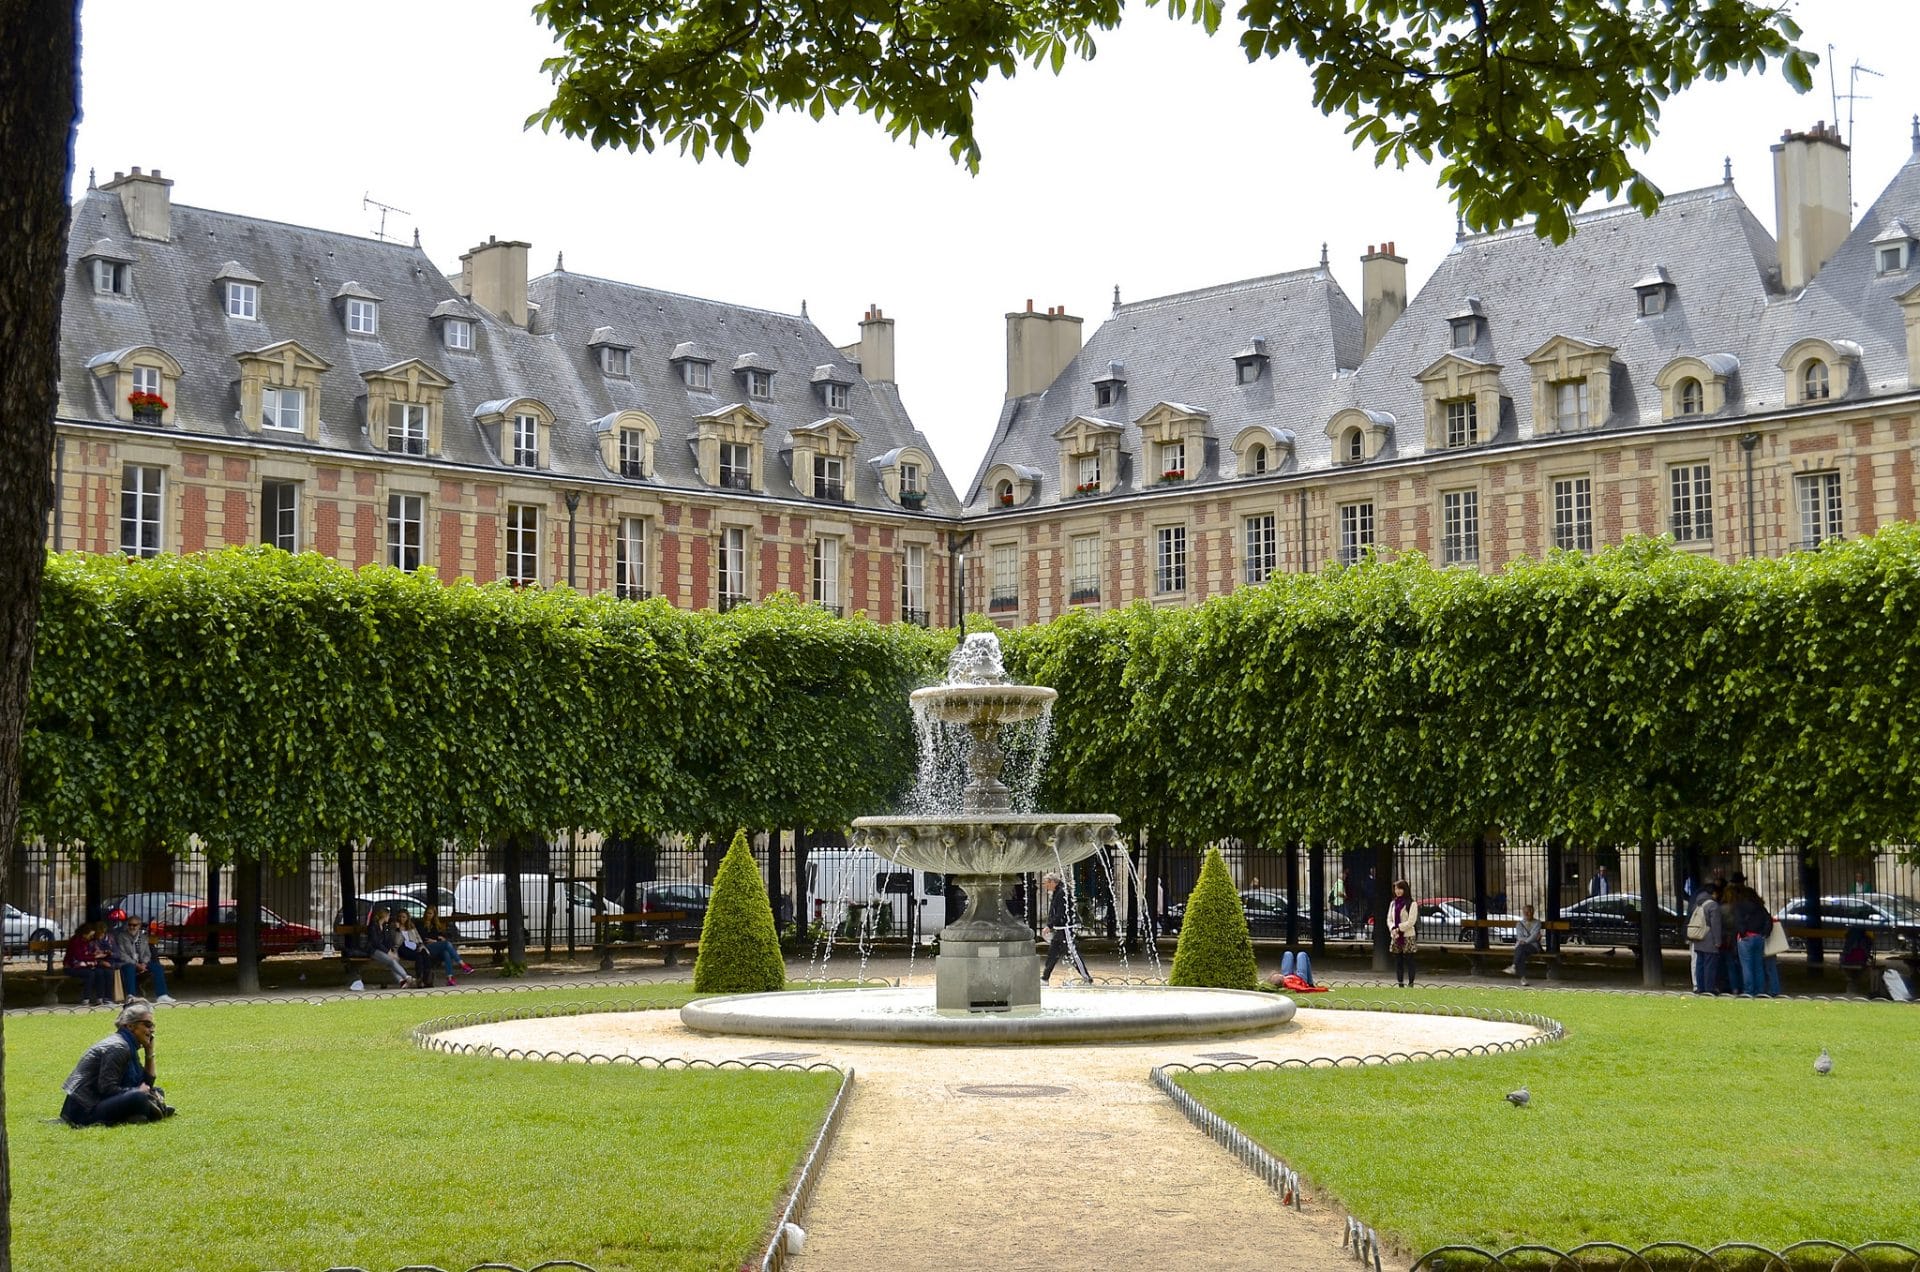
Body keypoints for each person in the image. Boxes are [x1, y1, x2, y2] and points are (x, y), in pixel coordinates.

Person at [59, 1000, 173, 1127]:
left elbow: (146, 1084)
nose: (152, 1030)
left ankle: (141, 1113)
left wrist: (149, 1052)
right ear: (130, 1026)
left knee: (156, 1091)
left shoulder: (128, 1045)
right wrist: (138, 1091)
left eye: (153, 1026)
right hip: (85, 1109)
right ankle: (145, 1111)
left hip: (99, 1102)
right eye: (147, 1025)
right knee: (139, 1096)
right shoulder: (118, 1047)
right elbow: (107, 1089)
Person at [108, 913, 176, 1005]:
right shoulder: (121, 937)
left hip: (142, 962)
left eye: (134, 925)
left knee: (158, 968)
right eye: (130, 925)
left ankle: (162, 995)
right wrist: (136, 964)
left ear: (139, 926)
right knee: (130, 968)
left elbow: (147, 953)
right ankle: (131, 996)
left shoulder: (143, 937)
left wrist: (144, 963)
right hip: (127, 962)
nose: (132, 927)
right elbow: (122, 954)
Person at [1038, 872, 1091, 985]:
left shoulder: (1062, 892)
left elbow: (1060, 913)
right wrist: (1051, 924)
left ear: (1053, 882)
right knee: (1052, 954)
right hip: (1060, 929)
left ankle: (1087, 978)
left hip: (1065, 929)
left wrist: (1049, 926)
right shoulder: (1057, 892)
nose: (1045, 886)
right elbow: (1054, 912)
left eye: (1046, 883)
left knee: (1073, 953)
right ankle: (1045, 978)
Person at [1727, 875, 1775, 998]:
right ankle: (1760, 990)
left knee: (1746, 966)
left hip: (1746, 938)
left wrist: (1743, 933)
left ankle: (1749, 990)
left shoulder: (1739, 906)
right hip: (1759, 937)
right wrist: (1765, 933)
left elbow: (1738, 922)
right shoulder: (1760, 907)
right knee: (1758, 966)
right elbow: (1768, 920)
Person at [63, 922, 114, 1006]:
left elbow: (90, 952)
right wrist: (95, 957)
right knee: (90, 974)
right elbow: (80, 956)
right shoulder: (76, 941)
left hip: (84, 965)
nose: (92, 937)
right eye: (90, 935)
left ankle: (100, 998)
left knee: (100, 972)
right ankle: (86, 999)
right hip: (72, 967)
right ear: (84, 934)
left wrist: (99, 953)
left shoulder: (87, 941)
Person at [362, 906, 414, 988]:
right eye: (388, 915)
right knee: (391, 960)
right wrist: (388, 952)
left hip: (383, 949)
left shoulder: (385, 926)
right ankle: (407, 977)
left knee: (393, 960)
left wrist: (391, 950)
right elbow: (375, 943)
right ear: (384, 916)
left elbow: (388, 940)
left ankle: (401, 981)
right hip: (373, 950)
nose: (389, 917)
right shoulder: (373, 926)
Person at [420, 907, 471, 985]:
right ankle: (462, 964)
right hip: (426, 947)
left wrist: (436, 940)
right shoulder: (421, 924)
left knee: (446, 952)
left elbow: (440, 936)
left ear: (434, 915)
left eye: (430, 913)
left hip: (436, 946)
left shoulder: (435, 925)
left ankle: (450, 978)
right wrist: (436, 939)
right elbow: (424, 937)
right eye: (427, 913)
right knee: (447, 944)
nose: (428, 915)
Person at [1688, 884, 1723, 995]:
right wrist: (1718, 941)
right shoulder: (1713, 905)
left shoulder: (1697, 904)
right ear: (1714, 893)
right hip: (1709, 939)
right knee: (1710, 965)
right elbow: (1715, 925)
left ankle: (1700, 987)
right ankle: (1709, 988)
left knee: (1700, 964)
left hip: (1699, 937)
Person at [1387, 879, 1418, 988]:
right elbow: (1389, 919)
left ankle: (1411, 983)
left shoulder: (1412, 903)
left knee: (1409, 960)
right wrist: (1392, 928)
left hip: (1407, 935)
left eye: (1400, 889)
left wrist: (1399, 928)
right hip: (1396, 936)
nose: (1398, 891)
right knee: (1398, 961)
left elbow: (1411, 921)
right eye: (1396, 889)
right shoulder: (1393, 903)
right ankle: (1400, 983)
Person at [1505, 904, 1544, 984]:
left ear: (1532, 912)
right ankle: (1522, 978)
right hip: (1522, 945)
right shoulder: (1519, 923)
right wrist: (1526, 940)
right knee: (1521, 953)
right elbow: (1519, 937)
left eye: (1528, 911)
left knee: (1520, 948)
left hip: (1533, 946)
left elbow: (1534, 936)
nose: (1526, 913)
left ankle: (1514, 966)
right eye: (1525, 912)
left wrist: (1525, 941)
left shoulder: (1537, 923)